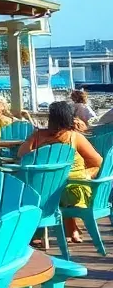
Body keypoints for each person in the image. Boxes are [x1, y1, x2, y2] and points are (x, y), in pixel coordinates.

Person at [20, 101, 103, 243]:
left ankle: (39, 232)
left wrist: (85, 175)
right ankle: (62, 231)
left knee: (44, 193)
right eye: (53, 122)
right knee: (44, 190)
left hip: (70, 187)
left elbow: (97, 163)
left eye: (58, 124)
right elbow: (22, 154)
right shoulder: (39, 136)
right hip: (52, 187)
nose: (55, 128)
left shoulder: (73, 137)